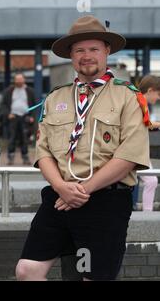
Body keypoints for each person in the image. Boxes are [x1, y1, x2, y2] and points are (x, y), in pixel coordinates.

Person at [15, 15, 150, 281]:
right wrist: (62, 189)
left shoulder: (128, 96)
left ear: (107, 51)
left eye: (93, 49)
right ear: (70, 55)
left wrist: (82, 191)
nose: (86, 56)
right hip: (60, 197)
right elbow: (43, 152)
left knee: (91, 277)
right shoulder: (56, 97)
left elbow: (128, 156)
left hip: (105, 201)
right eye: (79, 50)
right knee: (26, 270)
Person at [0, 73, 35, 165]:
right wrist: (8, 114)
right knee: (12, 138)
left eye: (20, 80)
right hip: (13, 117)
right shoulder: (9, 91)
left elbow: (34, 105)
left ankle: (25, 157)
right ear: (14, 80)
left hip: (25, 117)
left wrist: (32, 116)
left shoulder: (29, 91)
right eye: (17, 80)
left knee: (24, 138)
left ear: (24, 80)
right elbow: (3, 104)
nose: (19, 82)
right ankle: (10, 157)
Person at [136, 75, 160, 211]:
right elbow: (146, 124)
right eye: (158, 94)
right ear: (150, 90)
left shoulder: (137, 99)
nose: (158, 98)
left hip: (138, 149)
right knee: (151, 181)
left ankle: (147, 213)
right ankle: (147, 215)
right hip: (135, 150)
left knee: (150, 181)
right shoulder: (140, 101)